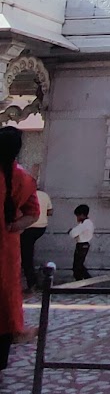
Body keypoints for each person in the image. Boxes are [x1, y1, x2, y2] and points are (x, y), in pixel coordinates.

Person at [0, 127, 40, 373]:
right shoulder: (24, 178)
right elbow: (33, 214)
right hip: (7, 244)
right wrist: (14, 226)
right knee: (5, 297)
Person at [20, 166, 52, 293]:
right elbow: (50, 211)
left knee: (26, 256)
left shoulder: (26, 194)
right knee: (28, 253)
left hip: (28, 227)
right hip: (41, 227)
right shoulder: (45, 195)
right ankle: (32, 281)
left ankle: (32, 283)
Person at [69, 204, 94, 280]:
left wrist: (71, 231)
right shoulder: (88, 223)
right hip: (84, 245)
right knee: (79, 265)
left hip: (82, 245)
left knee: (77, 266)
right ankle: (87, 279)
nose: (77, 218)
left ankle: (84, 280)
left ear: (82, 215)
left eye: (78, 216)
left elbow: (73, 233)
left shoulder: (85, 224)